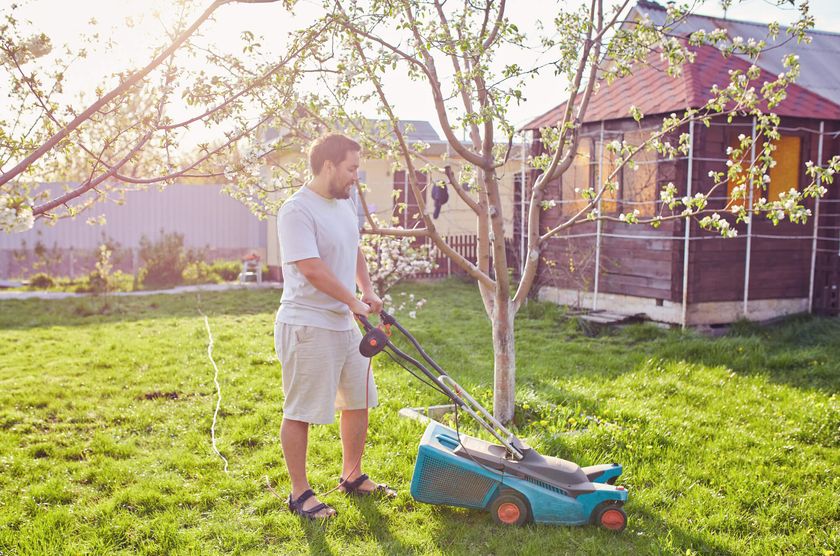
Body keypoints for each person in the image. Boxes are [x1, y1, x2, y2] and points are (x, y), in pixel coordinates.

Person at [274, 133, 395, 520]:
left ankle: (352, 475)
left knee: (359, 400)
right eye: (351, 168)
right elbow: (310, 268)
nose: (355, 177)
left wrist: (367, 289)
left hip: (343, 322)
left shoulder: (343, 204)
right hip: (307, 324)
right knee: (301, 410)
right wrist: (352, 300)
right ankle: (300, 493)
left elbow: (353, 247)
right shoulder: (296, 210)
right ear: (328, 165)